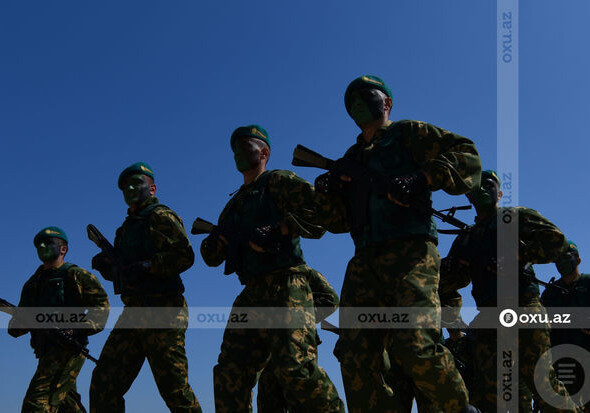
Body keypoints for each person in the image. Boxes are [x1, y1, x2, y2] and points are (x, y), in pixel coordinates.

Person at [313, 74, 481, 412]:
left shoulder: (409, 133)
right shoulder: (350, 158)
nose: (357, 103)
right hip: (364, 261)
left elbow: (467, 154)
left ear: (386, 103)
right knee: (355, 352)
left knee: (416, 341)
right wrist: (327, 194)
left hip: (410, 251)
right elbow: (337, 223)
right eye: (351, 101)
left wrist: (421, 178)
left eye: (365, 96)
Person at [200, 125, 344, 413]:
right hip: (251, 292)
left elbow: (321, 213)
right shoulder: (234, 205)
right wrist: (218, 240)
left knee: (295, 367)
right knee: (230, 372)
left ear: (264, 152)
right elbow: (209, 256)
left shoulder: (279, 182)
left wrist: (279, 228)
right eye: (235, 150)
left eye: (246, 147)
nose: (239, 154)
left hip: (286, 282)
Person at [439, 169, 579, 412]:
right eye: (477, 186)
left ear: (500, 192)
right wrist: (449, 269)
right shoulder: (466, 239)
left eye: (490, 184)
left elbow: (556, 241)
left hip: (524, 310)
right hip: (489, 319)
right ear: (468, 197)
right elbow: (449, 284)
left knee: (543, 383)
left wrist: (516, 254)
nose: (483, 189)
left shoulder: (515, 218)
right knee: (493, 395)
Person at [89, 162, 201, 413]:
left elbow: (184, 256)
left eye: (136, 183)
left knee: (174, 389)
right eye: (125, 186)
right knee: (104, 383)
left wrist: (149, 265)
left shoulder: (160, 216)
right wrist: (108, 267)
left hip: (164, 310)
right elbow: (128, 276)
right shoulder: (126, 229)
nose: (130, 188)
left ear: (152, 188)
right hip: (133, 312)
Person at [8, 226, 109, 413]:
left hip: (68, 349)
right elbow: (17, 326)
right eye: (39, 244)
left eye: (48, 243)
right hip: (44, 351)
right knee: (66, 404)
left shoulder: (76, 275)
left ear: (63, 249)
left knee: (36, 404)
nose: (43, 246)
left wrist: (77, 329)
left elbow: (101, 309)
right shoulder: (32, 283)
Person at [256, 268, 339, 413]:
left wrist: (302, 313)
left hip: (298, 345)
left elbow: (332, 303)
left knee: (300, 396)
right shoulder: (261, 280)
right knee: (268, 399)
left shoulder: (305, 273)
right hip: (271, 349)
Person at [541, 240, 590, 411]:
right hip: (563, 363)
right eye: (558, 259)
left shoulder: (587, 283)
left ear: (578, 260)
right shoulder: (550, 292)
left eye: (566, 258)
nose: (561, 263)